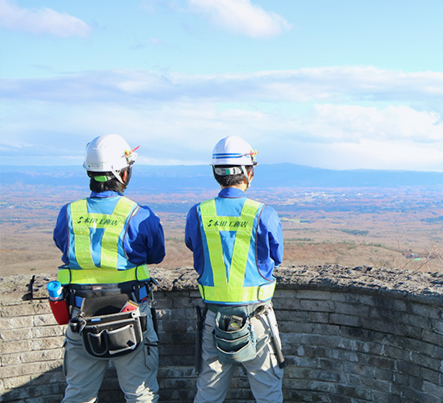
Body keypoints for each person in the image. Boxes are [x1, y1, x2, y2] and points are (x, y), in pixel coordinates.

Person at [53, 134, 165, 402]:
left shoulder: (69, 212)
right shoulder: (138, 214)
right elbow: (157, 254)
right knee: (140, 394)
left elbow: (62, 243)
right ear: (123, 174)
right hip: (131, 312)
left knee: (79, 394)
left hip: (81, 314)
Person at [185, 136, 285, 403]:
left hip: (213, 319)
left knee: (208, 393)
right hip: (258, 318)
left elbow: (193, 246)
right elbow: (277, 256)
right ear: (248, 172)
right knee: (269, 393)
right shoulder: (264, 213)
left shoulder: (198, 213)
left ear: (215, 172)